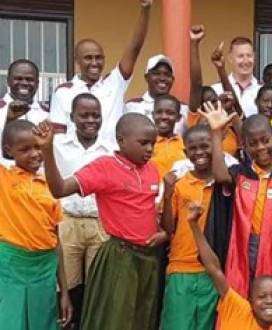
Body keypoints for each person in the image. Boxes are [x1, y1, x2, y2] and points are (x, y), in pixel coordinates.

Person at [38, 114, 168, 330]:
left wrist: (162, 233)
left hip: (149, 258)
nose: (149, 149)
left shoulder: (152, 170)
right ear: (121, 140)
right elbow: (59, 189)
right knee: (114, 320)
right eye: (143, 143)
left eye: (152, 143)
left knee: (142, 319)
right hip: (121, 257)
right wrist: (47, 150)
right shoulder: (105, 167)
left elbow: (150, 211)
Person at [199, 101, 272, 300]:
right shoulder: (240, 174)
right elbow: (219, 175)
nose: (261, 147)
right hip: (242, 248)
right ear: (244, 145)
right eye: (253, 143)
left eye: (265, 140)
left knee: (268, 301)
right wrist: (216, 133)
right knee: (241, 298)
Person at [0, 120, 72, 330]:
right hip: (11, 264)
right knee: (10, 320)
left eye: (38, 147)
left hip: (44, 268)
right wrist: (10, 119)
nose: (34, 154)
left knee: (42, 322)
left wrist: (65, 293)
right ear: (8, 151)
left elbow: (56, 241)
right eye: (25, 149)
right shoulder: (4, 178)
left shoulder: (52, 187)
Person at [159, 124, 232, 330]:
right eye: (193, 148)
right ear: (185, 152)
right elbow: (168, 230)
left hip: (213, 272)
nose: (199, 152)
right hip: (180, 268)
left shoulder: (224, 185)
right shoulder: (180, 185)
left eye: (205, 146)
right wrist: (167, 194)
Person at [50, 0, 152, 143]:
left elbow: (135, 47)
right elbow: (58, 134)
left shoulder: (114, 83)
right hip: (76, 161)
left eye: (99, 58)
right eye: (88, 58)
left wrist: (145, 8)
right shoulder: (62, 92)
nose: (94, 63)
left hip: (110, 159)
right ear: (76, 60)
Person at [52, 93, 114, 328]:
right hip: (67, 221)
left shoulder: (110, 150)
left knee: (97, 285)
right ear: (72, 117)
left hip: (100, 223)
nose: (91, 120)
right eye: (84, 115)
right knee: (67, 285)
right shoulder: (57, 146)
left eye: (95, 115)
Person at [186, 201, 272, 330]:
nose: (270, 301)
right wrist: (194, 225)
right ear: (250, 301)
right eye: (261, 296)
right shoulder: (238, 309)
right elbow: (214, 270)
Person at [0, 59, 49, 166]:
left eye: (29, 79)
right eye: (18, 79)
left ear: (37, 83)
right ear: (8, 81)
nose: (24, 83)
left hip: (39, 179)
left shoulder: (48, 114)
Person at [124, 54, 189, 135]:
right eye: (156, 73)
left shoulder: (184, 109)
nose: (162, 78)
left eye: (167, 75)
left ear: (172, 80)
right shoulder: (132, 106)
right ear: (147, 77)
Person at [212, 37, 261, 117]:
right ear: (230, 59)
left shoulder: (262, 90)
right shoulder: (216, 90)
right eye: (240, 56)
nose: (246, 61)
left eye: (249, 56)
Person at [151, 95, 186, 179]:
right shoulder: (146, 144)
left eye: (170, 113)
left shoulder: (185, 145)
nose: (164, 117)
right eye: (159, 112)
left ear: (178, 117)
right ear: (153, 115)